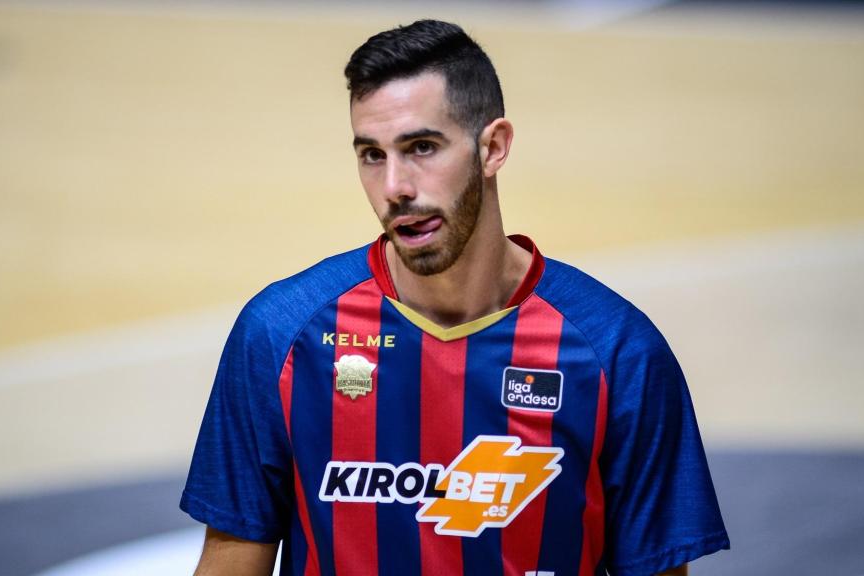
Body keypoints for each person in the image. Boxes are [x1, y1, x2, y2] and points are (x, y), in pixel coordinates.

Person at [181, 19, 729, 576]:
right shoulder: (281, 335)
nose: (395, 185)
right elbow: (231, 555)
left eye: (422, 147)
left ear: (493, 147)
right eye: (372, 154)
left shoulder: (618, 354)